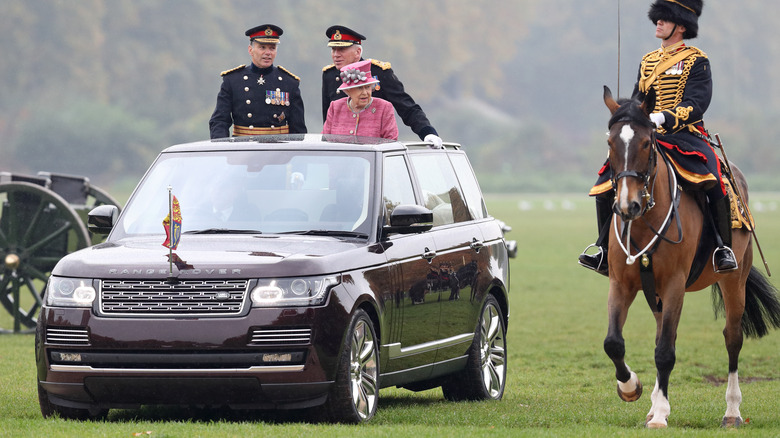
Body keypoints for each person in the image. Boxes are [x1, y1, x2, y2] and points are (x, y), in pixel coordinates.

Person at [579, 0, 737, 275]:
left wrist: (664, 117)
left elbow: (697, 103)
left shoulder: (696, 60)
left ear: (681, 25)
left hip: (685, 135)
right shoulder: (648, 61)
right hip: (648, 137)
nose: (658, 23)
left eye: (664, 19)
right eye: (657, 18)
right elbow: (638, 99)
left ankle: (723, 248)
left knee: (713, 175)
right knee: (606, 178)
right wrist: (627, 119)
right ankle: (603, 248)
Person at [321, 25, 442, 147]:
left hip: (374, 150)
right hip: (341, 151)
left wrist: (427, 133)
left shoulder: (379, 72)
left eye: (341, 50)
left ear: (358, 52)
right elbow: (328, 120)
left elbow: (407, 107)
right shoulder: (329, 75)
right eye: (333, 49)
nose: (336, 55)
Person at [209, 24, 306, 139]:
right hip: (244, 149)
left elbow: (298, 129)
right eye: (262, 47)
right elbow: (219, 121)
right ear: (251, 50)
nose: (268, 53)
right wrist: (223, 149)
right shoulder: (233, 80)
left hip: (278, 149)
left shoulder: (289, 83)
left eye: (272, 48)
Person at [322, 60, 398, 140]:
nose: (365, 93)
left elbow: (391, 143)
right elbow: (325, 141)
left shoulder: (384, 108)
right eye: (359, 88)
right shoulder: (335, 107)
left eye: (368, 87)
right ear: (348, 91)